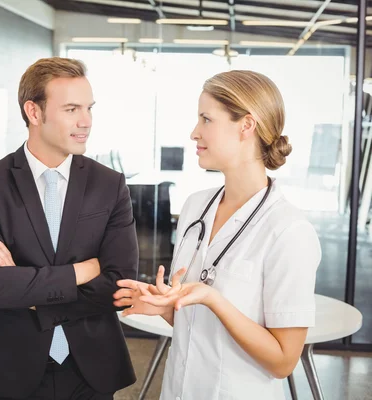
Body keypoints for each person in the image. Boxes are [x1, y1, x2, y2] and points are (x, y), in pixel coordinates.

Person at [114, 70, 321, 400]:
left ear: (246, 126)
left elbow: (283, 362)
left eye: (206, 119)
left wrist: (213, 299)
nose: (194, 132)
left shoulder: (288, 231)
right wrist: (166, 306)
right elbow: (198, 327)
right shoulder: (196, 207)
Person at [0, 57, 138, 399]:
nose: (85, 121)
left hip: (93, 369)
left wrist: (26, 290)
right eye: (72, 109)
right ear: (34, 112)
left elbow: (119, 283)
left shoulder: (110, 184)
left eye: (89, 108)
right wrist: (79, 271)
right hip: (13, 367)